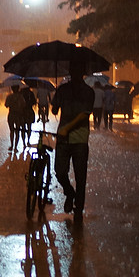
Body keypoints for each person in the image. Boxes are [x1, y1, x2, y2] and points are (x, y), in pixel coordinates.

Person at [51, 62, 95, 218]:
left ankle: (79, 209)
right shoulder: (62, 90)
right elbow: (54, 109)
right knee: (60, 172)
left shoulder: (88, 92)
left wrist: (67, 128)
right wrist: (55, 100)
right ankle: (70, 193)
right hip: (63, 138)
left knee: (80, 175)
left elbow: (85, 114)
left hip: (79, 138)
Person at [4, 84, 29, 152]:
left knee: (12, 131)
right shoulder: (20, 97)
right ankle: (15, 147)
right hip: (18, 115)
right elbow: (24, 105)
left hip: (11, 115)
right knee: (17, 131)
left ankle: (12, 145)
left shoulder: (9, 96)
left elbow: (6, 105)